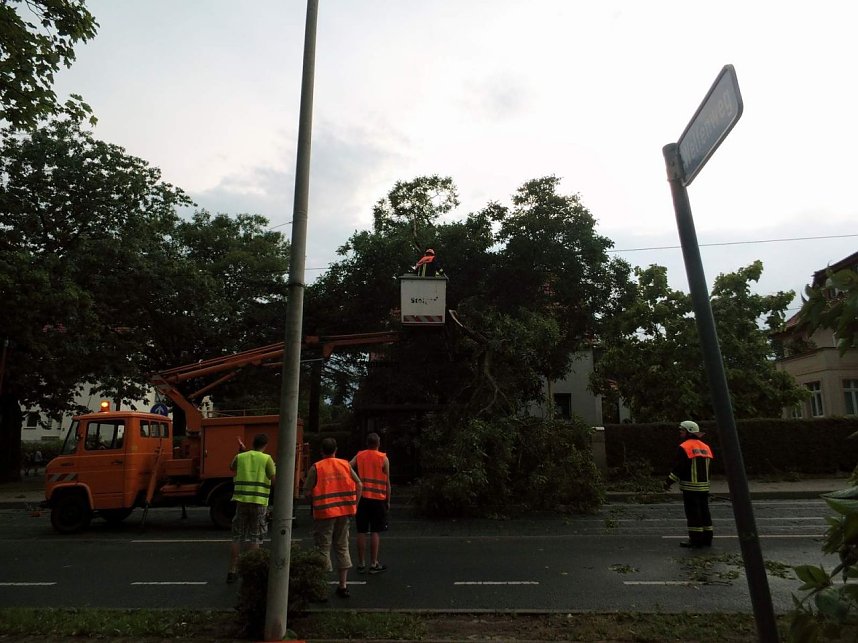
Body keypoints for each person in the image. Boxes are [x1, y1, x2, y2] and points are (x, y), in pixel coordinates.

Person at [305, 437, 362, 598]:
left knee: (323, 548)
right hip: (344, 512)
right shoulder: (345, 465)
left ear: (321, 451)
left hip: (324, 514)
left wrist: (315, 503)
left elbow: (308, 491)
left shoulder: (317, 467)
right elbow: (359, 485)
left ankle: (322, 591)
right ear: (336, 450)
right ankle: (343, 586)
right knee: (342, 546)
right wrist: (354, 505)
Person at [227, 433, 276, 584]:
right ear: (265, 445)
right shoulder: (267, 459)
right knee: (255, 536)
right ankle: (252, 571)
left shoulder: (241, 457)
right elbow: (273, 478)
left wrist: (242, 451)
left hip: (241, 501)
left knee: (238, 536)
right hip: (259, 501)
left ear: (253, 443)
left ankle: (232, 571)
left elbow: (232, 467)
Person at [663, 420, 714, 548]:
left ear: (689, 431)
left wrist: (668, 482)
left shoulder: (685, 447)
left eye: (682, 430)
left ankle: (696, 540)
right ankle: (707, 538)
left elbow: (679, 468)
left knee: (693, 514)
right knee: (704, 512)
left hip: (690, 487)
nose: (680, 432)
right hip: (704, 486)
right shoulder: (705, 447)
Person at [349, 432, 391, 574]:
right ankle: (374, 563)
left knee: (361, 531)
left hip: (362, 498)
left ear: (367, 443)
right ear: (378, 443)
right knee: (375, 531)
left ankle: (361, 563)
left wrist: (356, 481)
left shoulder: (360, 456)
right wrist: (388, 500)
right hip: (378, 498)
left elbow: (347, 467)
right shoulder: (383, 458)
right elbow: (387, 482)